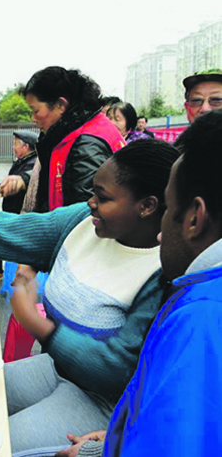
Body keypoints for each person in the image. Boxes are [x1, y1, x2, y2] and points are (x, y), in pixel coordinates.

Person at [0, 140, 180, 452]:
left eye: (103, 197)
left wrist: (37, 324)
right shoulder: (83, 223)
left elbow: (115, 369)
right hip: (54, 368)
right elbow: (17, 229)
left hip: (102, 401)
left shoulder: (165, 270)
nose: (90, 203)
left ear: (147, 206)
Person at [25, 110, 222, 457]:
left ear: (194, 218)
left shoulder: (200, 316)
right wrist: (118, 434)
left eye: (168, 210)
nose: (162, 233)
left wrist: (41, 327)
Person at [21, 67, 126, 213]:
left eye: (35, 110)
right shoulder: (76, 131)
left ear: (60, 105)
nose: (33, 119)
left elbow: (84, 213)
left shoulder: (86, 143)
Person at [0, 130, 39, 214]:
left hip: (20, 216)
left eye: (15, 144)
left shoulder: (32, 164)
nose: (13, 148)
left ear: (25, 147)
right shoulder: (21, 162)